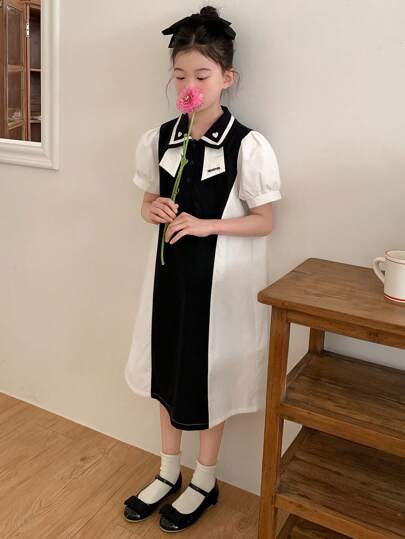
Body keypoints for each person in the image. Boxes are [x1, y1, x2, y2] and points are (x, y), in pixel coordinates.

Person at [123, 5, 282, 533]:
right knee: (167, 371)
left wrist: (206, 224)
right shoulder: (160, 137)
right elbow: (146, 202)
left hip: (218, 288)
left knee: (209, 379)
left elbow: (265, 221)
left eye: (202, 76)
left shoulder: (247, 145)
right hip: (167, 281)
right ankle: (168, 470)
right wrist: (154, 209)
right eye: (180, 76)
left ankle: (205, 480)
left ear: (227, 78)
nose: (189, 86)